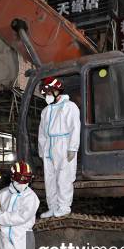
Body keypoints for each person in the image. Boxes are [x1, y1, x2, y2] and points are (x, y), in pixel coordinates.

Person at [38, 77, 80, 218]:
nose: (47, 96)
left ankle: (63, 207)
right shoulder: (45, 111)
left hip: (63, 144)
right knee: (49, 179)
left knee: (64, 177)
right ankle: (53, 207)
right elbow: (42, 133)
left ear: (57, 91)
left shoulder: (69, 107)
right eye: (45, 94)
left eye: (49, 93)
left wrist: (72, 148)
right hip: (49, 146)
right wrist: (41, 150)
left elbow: (75, 128)